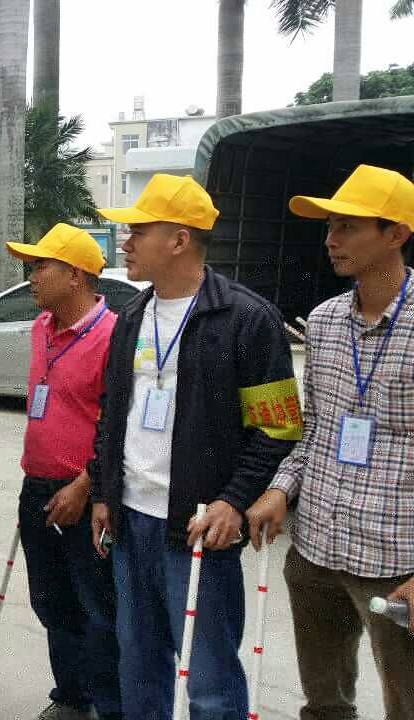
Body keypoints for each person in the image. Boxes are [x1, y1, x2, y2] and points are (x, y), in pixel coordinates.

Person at [85, 174, 300, 720]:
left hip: (198, 524)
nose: (126, 243)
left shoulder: (247, 318)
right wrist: (104, 492)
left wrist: (234, 499)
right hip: (130, 521)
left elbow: (277, 427)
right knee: (138, 665)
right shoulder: (132, 317)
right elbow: (112, 412)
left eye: (139, 231)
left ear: (179, 240)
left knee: (208, 680)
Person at [246, 164, 414, 720]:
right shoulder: (324, 321)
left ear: (396, 233)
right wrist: (280, 489)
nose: (330, 240)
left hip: (395, 560)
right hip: (316, 550)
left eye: (347, 226)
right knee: (323, 703)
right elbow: (313, 426)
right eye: (328, 227)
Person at [5, 223, 122, 720]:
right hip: (37, 485)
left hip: (85, 492)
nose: (31, 277)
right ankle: (72, 696)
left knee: (96, 605)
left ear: (75, 275)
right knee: (50, 600)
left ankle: (109, 704)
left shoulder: (113, 335)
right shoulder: (41, 328)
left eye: (40, 267)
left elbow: (116, 425)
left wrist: (86, 486)